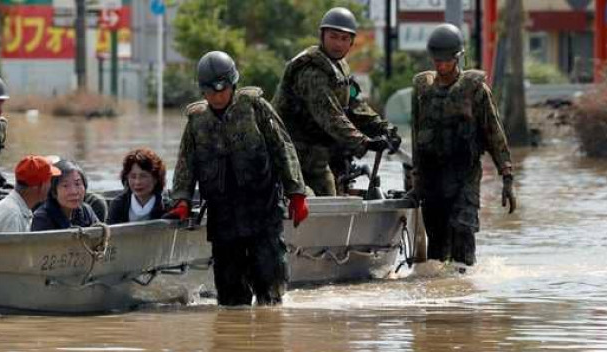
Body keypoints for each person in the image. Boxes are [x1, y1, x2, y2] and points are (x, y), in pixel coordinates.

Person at [171, 51, 308, 307]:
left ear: (233, 84)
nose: (216, 96)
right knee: (230, 294)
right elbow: (185, 165)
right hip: (223, 216)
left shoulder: (254, 106)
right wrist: (182, 200)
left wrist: (296, 193)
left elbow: (283, 147)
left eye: (221, 89)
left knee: (270, 281)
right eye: (209, 91)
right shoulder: (197, 121)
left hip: (262, 208)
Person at [411, 23, 514, 268]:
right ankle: (441, 301)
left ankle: (466, 297)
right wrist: (416, 180)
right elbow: (417, 137)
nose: (442, 65)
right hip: (433, 177)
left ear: (458, 58)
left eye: (447, 60)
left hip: (464, 175)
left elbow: (494, 133)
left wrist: (507, 177)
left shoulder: (476, 91)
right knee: (436, 249)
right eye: (437, 60)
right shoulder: (422, 91)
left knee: (463, 233)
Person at [275, 7, 400, 196]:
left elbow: (355, 106)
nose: (338, 44)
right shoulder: (311, 71)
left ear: (351, 42)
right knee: (315, 203)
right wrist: (365, 143)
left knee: (331, 198)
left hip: (316, 155)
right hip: (290, 156)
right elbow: (331, 116)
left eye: (344, 39)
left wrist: (384, 128)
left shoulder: (338, 67)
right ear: (322, 36)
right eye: (333, 37)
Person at [0, 155, 60, 233]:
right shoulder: (13, 215)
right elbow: (12, 249)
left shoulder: (19, 207)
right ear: (38, 186)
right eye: (49, 180)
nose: (50, 185)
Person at [31, 159, 101, 231]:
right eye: (65, 186)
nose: (74, 191)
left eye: (77, 184)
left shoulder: (86, 211)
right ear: (53, 192)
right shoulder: (42, 219)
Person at [107, 147, 169, 224]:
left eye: (143, 176)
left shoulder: (167, 205)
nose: (137, 182)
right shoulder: (118, 205)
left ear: (156, 178)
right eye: (133, 176)